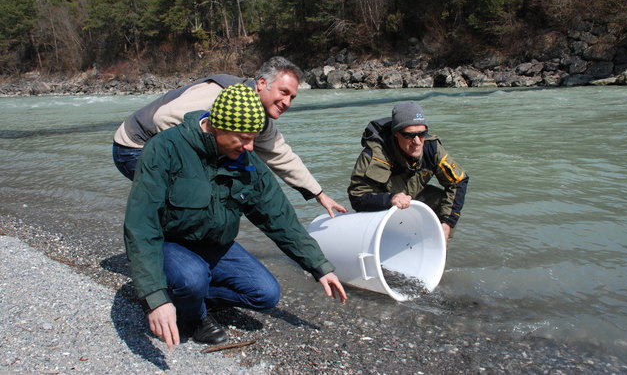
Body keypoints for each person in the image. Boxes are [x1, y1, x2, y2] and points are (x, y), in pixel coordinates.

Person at [123, 84, 347, 350]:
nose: (250, 147)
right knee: (191, 277)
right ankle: (194, 317)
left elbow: (278, 217)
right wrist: (154, 296)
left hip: (216, 246)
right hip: (171, 243)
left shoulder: (245, 159)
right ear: (217, 126)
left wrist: (318, 266)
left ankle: (183, 295)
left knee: (266, 294)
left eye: (254, 138)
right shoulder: (166, 148)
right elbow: (141, 224)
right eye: (243, 138)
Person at [113, 56, 346, 217]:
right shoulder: (221, 95)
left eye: (292, 97)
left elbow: (281, 156)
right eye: (283, 92)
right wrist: (202, 168)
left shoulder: (257, 116)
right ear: (262, 84)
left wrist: (319, 193)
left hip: (154, 146)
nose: (287, 102)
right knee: (192, 200)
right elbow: (164, 118)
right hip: (134, 146)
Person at [347, 101, 468, 241]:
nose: (417, 142)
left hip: (413, 196)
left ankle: (438, 247)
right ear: (396, 134)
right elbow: (357, 198)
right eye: (409, 135)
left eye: (422, 134)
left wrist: (448, 223)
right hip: (383, 206)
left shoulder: (431, 148)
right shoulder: (374, 155)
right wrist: (390, 199)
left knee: (443, 204)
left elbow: (459, 181)